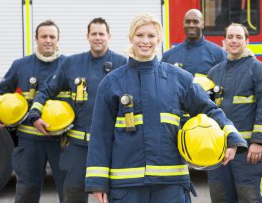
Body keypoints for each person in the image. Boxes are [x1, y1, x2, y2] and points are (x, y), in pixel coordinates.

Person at [85, 14, 247, 203]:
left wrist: (231, 136)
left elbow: (209, 109)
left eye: (151, 36)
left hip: (171, 185)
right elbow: (100, 135)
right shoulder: (112, 82)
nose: (145, 41)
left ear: (159, 39)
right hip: (126, 186)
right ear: (131, 38)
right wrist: (98, 182)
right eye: (139, 35)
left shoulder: (179, 78)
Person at [28, 17, 127, 203]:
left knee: (116, 196)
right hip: (77, 148)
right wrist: (34, 115)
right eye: (94, 34)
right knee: (72, 195)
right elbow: (47, 90)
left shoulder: (122, 64)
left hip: (111, 145)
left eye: (101, 33)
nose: (98, 37)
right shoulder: (72, 64)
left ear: (109, 36)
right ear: (87, 36)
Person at [0, 20, 66, 202]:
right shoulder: (21, 66)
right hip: (30, 142)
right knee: (27, 191)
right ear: (36, 39)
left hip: (61, 141)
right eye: (43, 36)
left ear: (58, 39)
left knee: (69, 192)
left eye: (52, 36)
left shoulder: (69, 65)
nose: (48, 40)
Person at [206, 23, 262, 202]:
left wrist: (258, 142)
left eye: (238, 37)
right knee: (220, 197)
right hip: (219, 151)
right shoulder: (214, 72)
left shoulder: (259, 70)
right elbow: (207, 110)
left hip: (247, 152)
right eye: (230, 37)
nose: (234, 41)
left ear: (247, 42)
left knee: (250, 197)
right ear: (223, 41)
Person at [161, 8, 226, 76]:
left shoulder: (218, 54)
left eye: (195, 22)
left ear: (202, 24)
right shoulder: (169, 56)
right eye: (188, 22)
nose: (191, 25)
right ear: (183, 24)